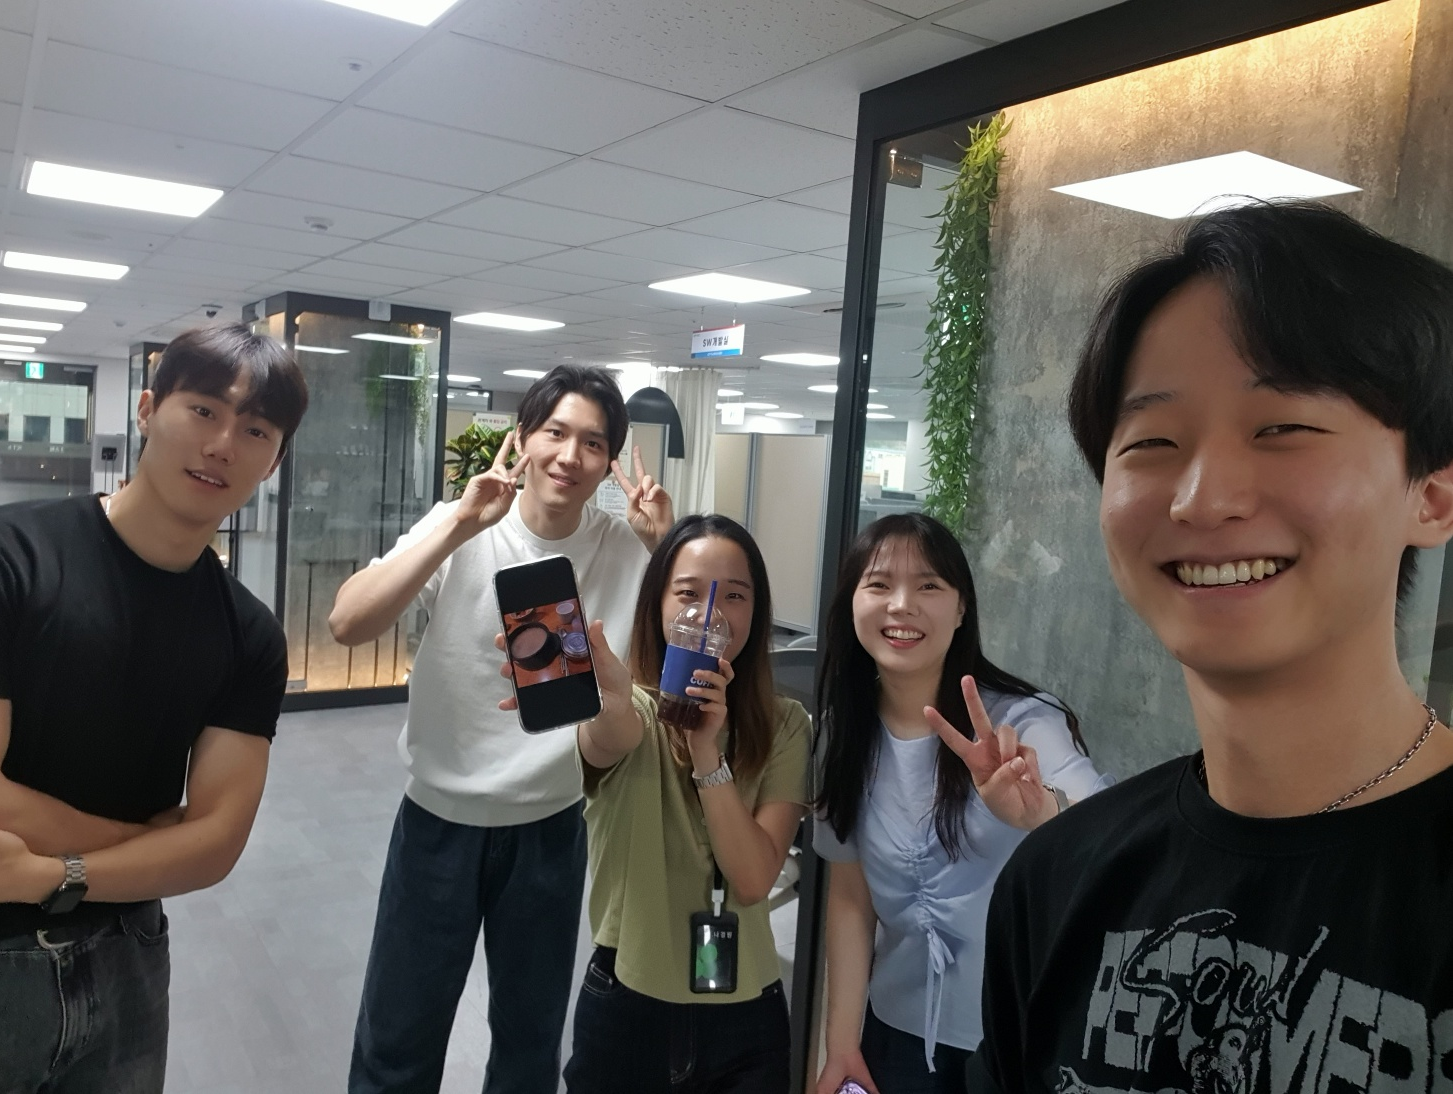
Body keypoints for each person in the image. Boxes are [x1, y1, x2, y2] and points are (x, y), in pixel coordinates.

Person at [965, 201, 1453, 1093]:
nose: (1200, 498)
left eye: (1281, 428)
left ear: (1432, 495)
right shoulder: (1058, 880)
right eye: (1152, 442)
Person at [333, 364, 674, 1094]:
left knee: (528, 1051)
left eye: (592, 443)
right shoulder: (463, 523)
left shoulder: (626, 549)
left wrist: (665, 545)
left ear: (609, 463)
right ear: (522, 439)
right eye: (554, 432)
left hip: (549, 829)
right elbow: (347, 622)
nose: (569, 456)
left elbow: (692, 665)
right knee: (397, 1044)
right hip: (437, 824)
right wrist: (459, 525)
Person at [0, 323, 309, 1092]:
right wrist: (152, 842)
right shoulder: (14, 556)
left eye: (255, 430)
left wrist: (50, 873)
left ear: (274, 460)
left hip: (129, 957)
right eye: (203, 410)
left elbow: (216, 845)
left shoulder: (249, 635)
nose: (222, 444)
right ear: (146, 409)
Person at [811, 514, 1111, 1094]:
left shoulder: (1021, 724)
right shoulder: (840, 734)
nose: (902, 605)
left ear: (961, 608)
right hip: (896, 1032)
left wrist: (1043, 813)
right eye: (879, 584)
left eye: (928, 585)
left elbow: (1109, 830)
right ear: (851, 604)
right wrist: (842, 1043)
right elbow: (850, 896)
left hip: (1019, 1036)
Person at [535, 514, 810, 1094]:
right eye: (687, 593)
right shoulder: (631, 710)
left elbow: (753, 878)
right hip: (628, 1005)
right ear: (657, 604)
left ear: (757, 611)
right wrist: (610, 703)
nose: (710, 613)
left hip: (747, 1018)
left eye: (734, 595)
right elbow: (611, 736)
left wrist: (708, 751)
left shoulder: (785, 725)